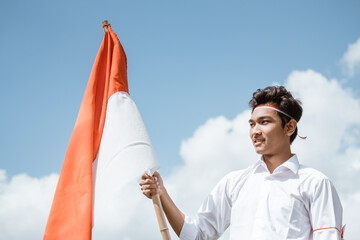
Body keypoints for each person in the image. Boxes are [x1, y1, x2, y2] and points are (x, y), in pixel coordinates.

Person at [139, 86, 343, 240]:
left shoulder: (315, 183)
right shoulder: (234, 182)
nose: (255, 131)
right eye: (252, 124)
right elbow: (198, 235)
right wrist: (161, 193)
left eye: (264, 122)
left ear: (289, 127)